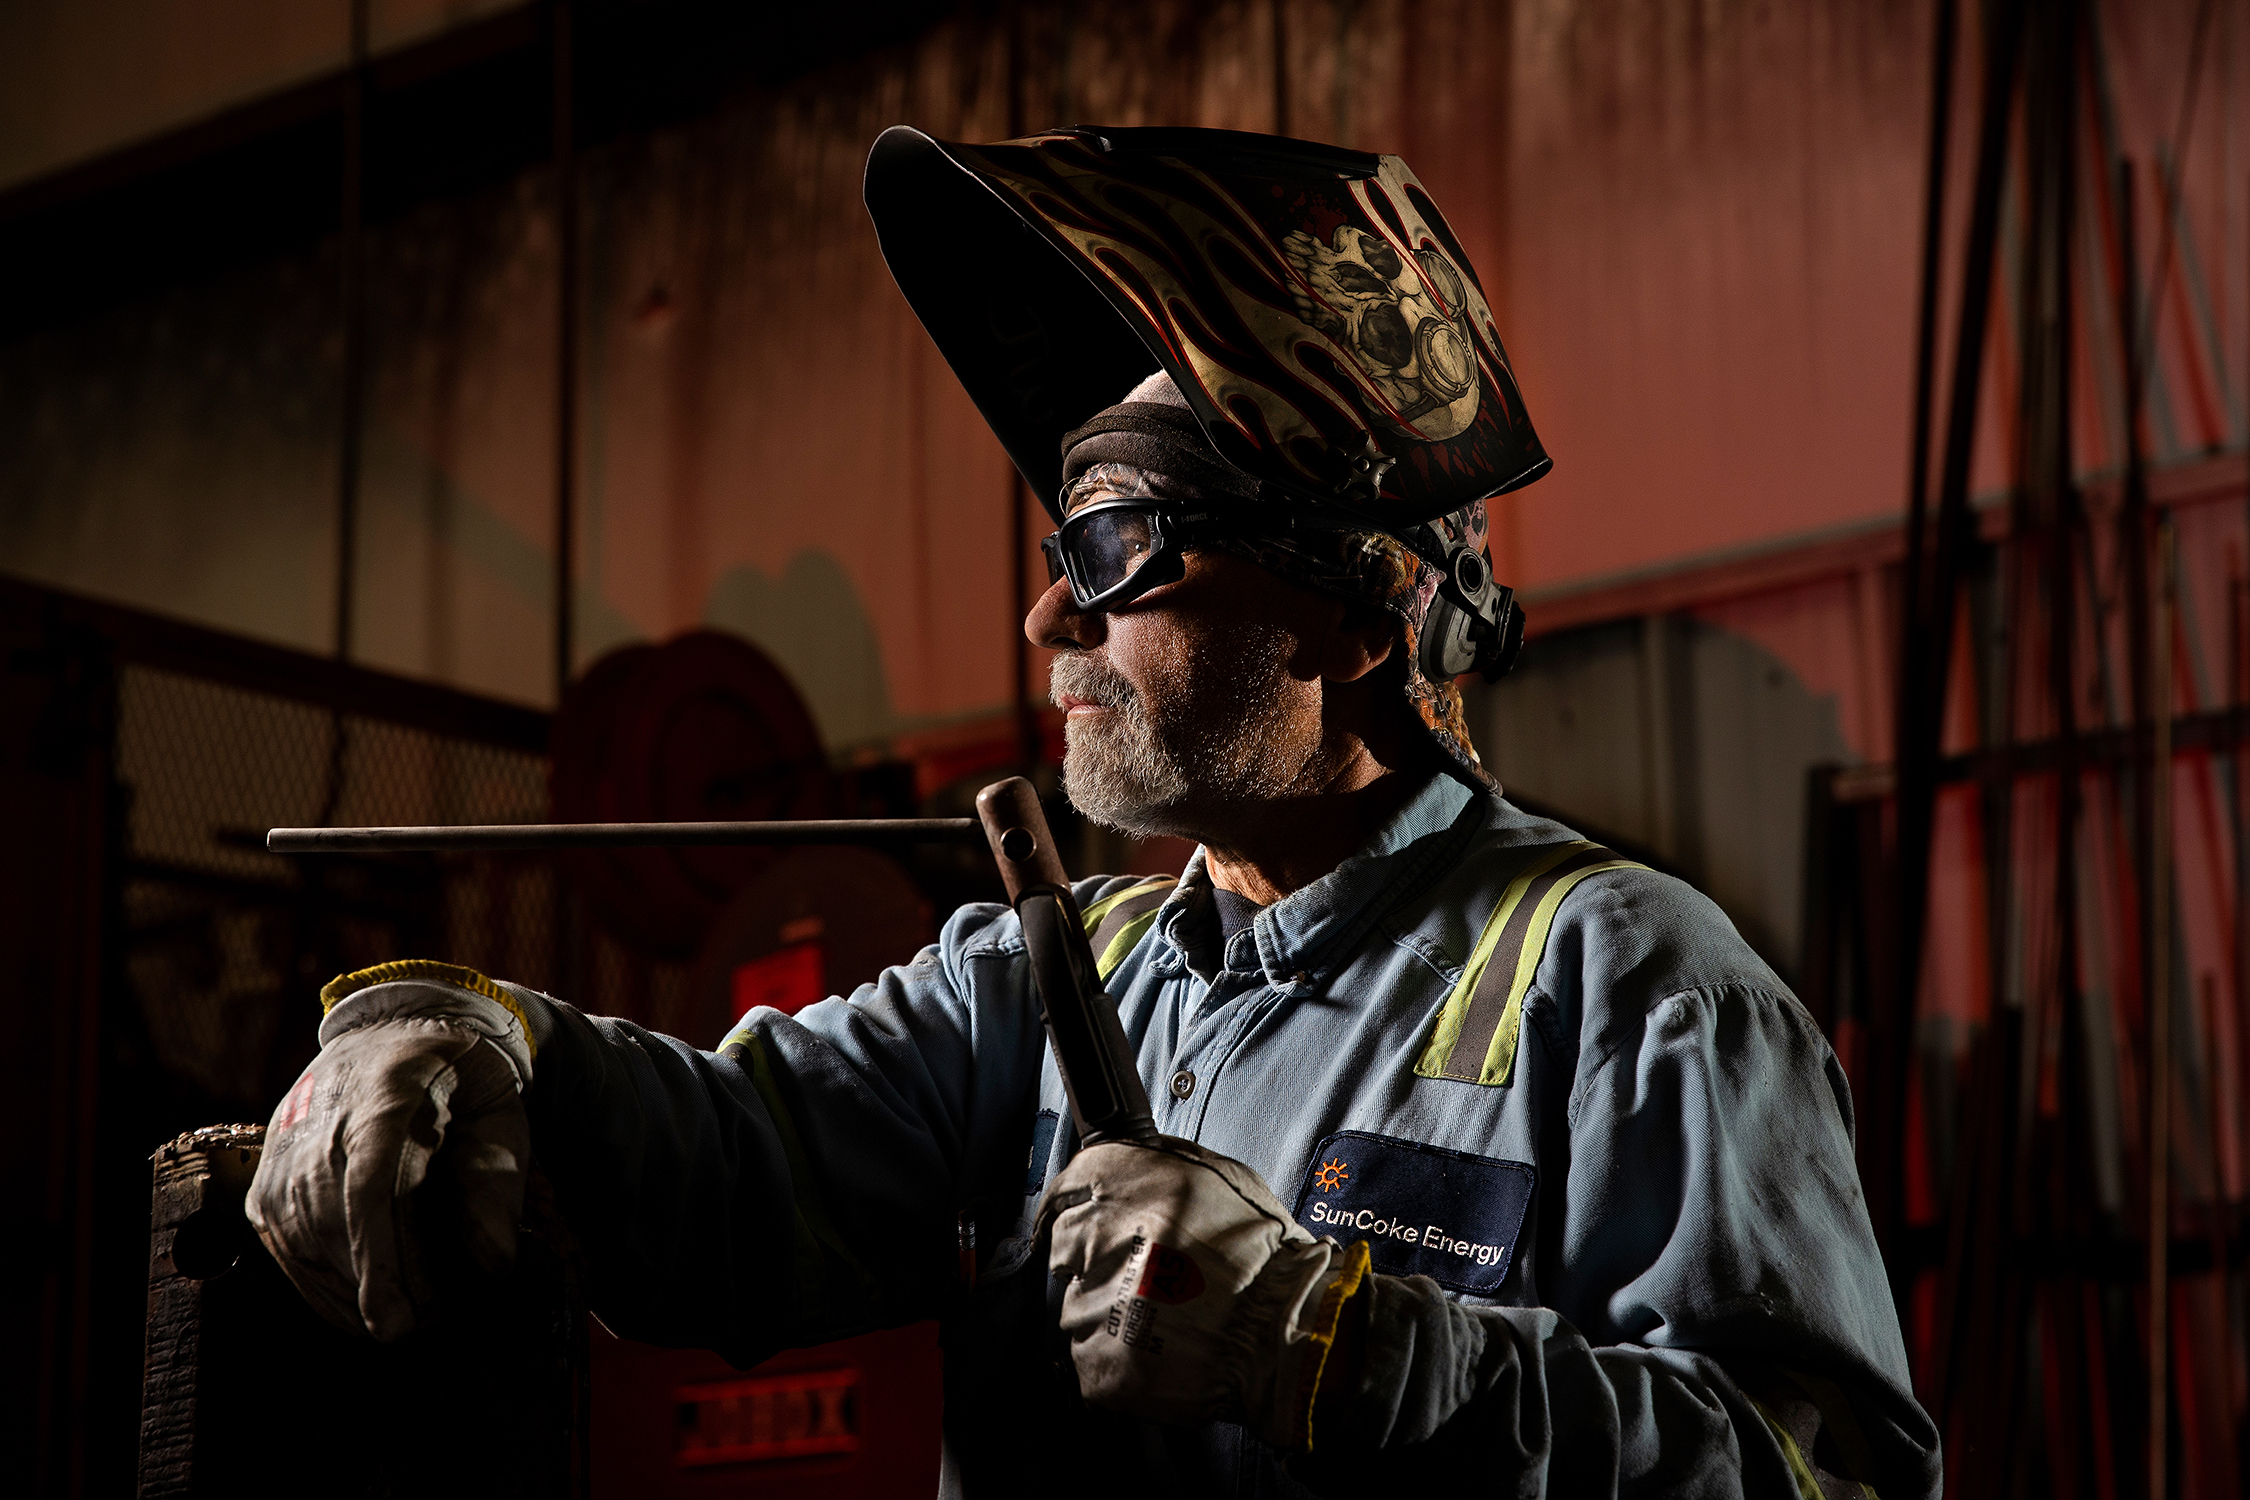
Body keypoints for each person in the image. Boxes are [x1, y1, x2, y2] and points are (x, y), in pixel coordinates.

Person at [249, 126, 1941, 1498]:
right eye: (1058, 557)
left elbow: (1831, 1471)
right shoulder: (1054, 978)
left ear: (1352, 613)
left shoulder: (1630, 987)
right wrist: (469, 1038)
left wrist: (1345, 1354)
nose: (1050, 624)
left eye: (1118, 551)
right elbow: (729, 1166)